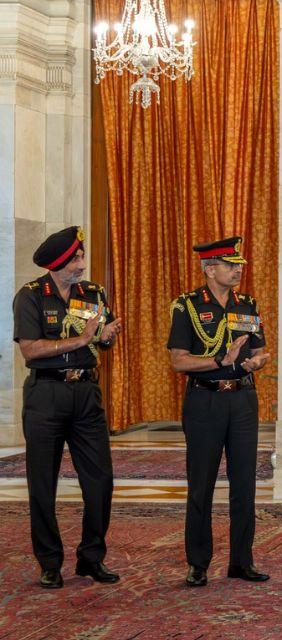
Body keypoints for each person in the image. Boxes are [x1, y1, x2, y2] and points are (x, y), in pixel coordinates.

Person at [13, 226, 123, 588]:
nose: (81, 263)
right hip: (46, 397)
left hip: (86, 395)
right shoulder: (30, 297)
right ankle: (49, 561)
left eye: (81, 256)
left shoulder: (93, 293)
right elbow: (31, 349)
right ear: (59, 262)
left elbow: (98, 342)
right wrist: (82, 338)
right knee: (42, 484)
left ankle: (92, 558)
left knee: (101, 481)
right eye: (76, 257)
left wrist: (104, 338)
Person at [167, 236, 271, 587]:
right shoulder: (187, 306)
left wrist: (256, 361)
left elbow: (258, 349)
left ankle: (242, 561)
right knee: (202, 486)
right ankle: (198, 563)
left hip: (242, 400)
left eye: (239, 264)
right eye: (230, 265)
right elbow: (178, 361)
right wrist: (219, 361)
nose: (237, 270)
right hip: (205, 401)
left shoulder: (247, 304)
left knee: (245, 484)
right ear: (210, 269)